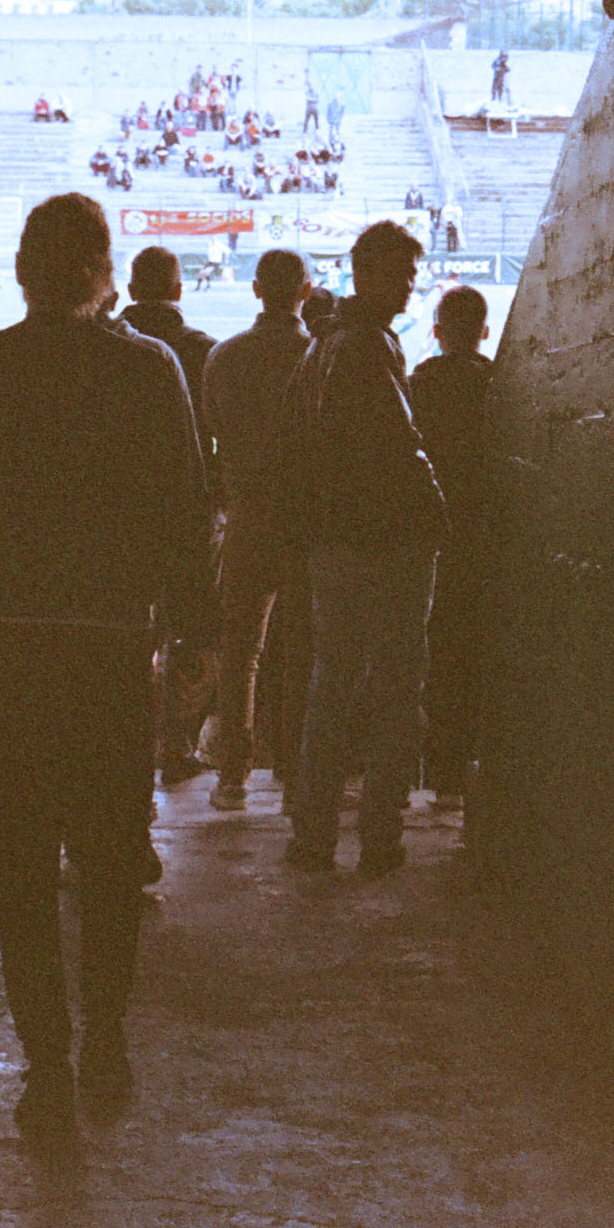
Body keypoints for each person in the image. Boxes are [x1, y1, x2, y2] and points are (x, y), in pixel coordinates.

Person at [0, 194, 212, 1143]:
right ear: (103, 268)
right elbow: (183, 510)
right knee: (113, 858)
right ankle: (108, 1036)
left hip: (10, 649)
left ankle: (46, 1062)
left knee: (23, 865)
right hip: (110, 647)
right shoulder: (148, 368)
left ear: (25, 267)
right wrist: (195, 635)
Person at [278, 221, 443, 877]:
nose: (409, 287)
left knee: (332, 688)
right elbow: (398, 450)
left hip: (335, 545)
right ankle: (381, 833)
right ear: (369, 273)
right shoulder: (369, 347)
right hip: (388, 543)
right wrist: (436, 510)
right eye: (402, 274)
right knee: (398, 690)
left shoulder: (323, 346)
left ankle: (313, 833)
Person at [198, 250, 316, 811]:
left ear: (254, 290)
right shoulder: (318, 357)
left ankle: (232, 777)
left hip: (247, 515)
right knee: (303, 648)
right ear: (307, 292)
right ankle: (296, 774)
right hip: (305, 519)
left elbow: (214, 430)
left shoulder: (224, 357)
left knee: (241, 648)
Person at [118, 247, 218, 787]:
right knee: (185, 632)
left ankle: (123, 743)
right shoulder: (202, 350)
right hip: (186, 510)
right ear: (179, 290)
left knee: (124, 633)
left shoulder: (105, 351)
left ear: (132, 290)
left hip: (115, 513)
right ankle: (177, 742)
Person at [409, 286, 494, 807]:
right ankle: (455, 774)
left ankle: (415, 772)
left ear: (436, 331)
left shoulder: (416, 385)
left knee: (422, 657)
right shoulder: (497, 386)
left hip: (428, 538)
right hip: (480, 538)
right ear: (484, 332)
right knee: (470, 656)